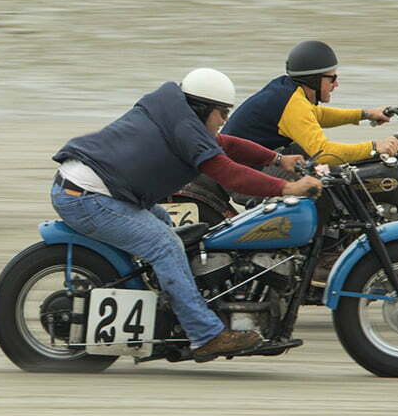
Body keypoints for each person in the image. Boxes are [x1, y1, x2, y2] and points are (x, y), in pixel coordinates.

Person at [51, 68, 323, 361]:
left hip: (97, 187)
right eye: (222, 113)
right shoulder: (186, 129)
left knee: (167, 226)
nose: (226, 120)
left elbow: (226, 144)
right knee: (165, 245)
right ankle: (205, 335)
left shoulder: (179, 115)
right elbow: (229, 174)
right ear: (203, 108)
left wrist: (278, 158)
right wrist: (287, 188)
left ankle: (169, 308)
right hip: (86, 197)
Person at [223, 40, 398, 164]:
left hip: (246, 162)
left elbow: (317, 115)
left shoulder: (290, 90)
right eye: (332, 78)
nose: (336, 84)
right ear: (314, 79)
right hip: (240, 172)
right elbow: (323, 153)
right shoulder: (293, 103)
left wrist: (366, 114)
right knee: (321, 179)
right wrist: (375, 147)